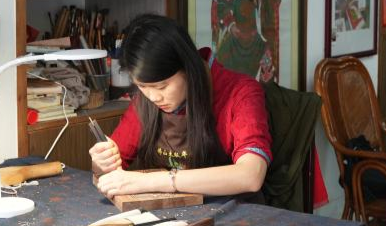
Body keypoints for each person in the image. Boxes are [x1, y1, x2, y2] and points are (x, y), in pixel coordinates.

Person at [90, 14, 272, 198]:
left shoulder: (241, 92)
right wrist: (101, 164)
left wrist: (155, 181)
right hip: (170, 210)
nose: (153, 97)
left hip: (232, 208)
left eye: (162, 86)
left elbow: (251, 175)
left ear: (188, 67)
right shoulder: (144, 101)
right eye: (142, 86)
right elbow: (111, 171)